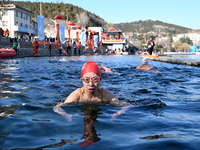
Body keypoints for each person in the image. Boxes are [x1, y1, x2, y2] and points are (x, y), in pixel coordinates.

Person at [53, 61, 128, 122]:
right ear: (82, 81)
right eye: (86, 80)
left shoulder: (105, 95)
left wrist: (118, 113)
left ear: (100, 80)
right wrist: (66, 115)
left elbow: (126, 105)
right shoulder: (77, 95)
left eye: (95, 79)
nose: (91, 84)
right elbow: (57, 107)